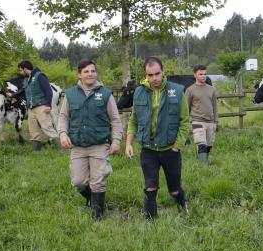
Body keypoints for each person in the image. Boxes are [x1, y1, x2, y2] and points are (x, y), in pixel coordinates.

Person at [57, 59, 123, 220]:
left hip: (100, 144)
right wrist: (63, 134)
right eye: (86, 71)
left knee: (98, 180)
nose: (90, 74)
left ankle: (98, 215)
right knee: (78, 181)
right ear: (79, 74)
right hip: (78, 144)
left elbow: (115, 120)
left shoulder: (105, 94)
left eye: (92, 71)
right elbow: (63, 117)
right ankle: (91, 199)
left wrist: (116, 141)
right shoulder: (71, 94)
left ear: (96, 73)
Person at [125, 57, 190, 219]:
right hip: (148, 149)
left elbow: (185, 121)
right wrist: (128, 143)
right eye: (150, 75)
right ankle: (150, 221)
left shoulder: (177, 91)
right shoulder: (139, 92)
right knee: (150, 187)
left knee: (174, 190)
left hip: (170, 150)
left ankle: (182, 205)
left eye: (157, 74)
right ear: (146, 75)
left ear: (163, 72)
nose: (154, 78)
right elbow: (134, 120)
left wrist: (177, 145)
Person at [18, 59, 59, 150]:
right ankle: (36, 151)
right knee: (33, 131)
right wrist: (12, 95)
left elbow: (48, 91)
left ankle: (61, 149)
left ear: (25, 69)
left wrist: (48, 105)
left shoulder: (39, 76)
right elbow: (22, 91)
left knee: (47, 128)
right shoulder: (26, 80)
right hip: (31, 108)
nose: (20, 72)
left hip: (41, 106)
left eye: (21, 70)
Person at [186, 64, 218, 164]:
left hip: (210, 121)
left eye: (205, 74)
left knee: (209, 145)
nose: (203, 76)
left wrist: (216, 121)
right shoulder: (190, 90)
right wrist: (186, 123)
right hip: (197, 121)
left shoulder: (211, 89)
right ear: (195, 75)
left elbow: (215, 106)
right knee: (202, 144)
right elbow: (186, 108)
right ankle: (204, 167)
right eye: (200, 74)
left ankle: (205, 160)